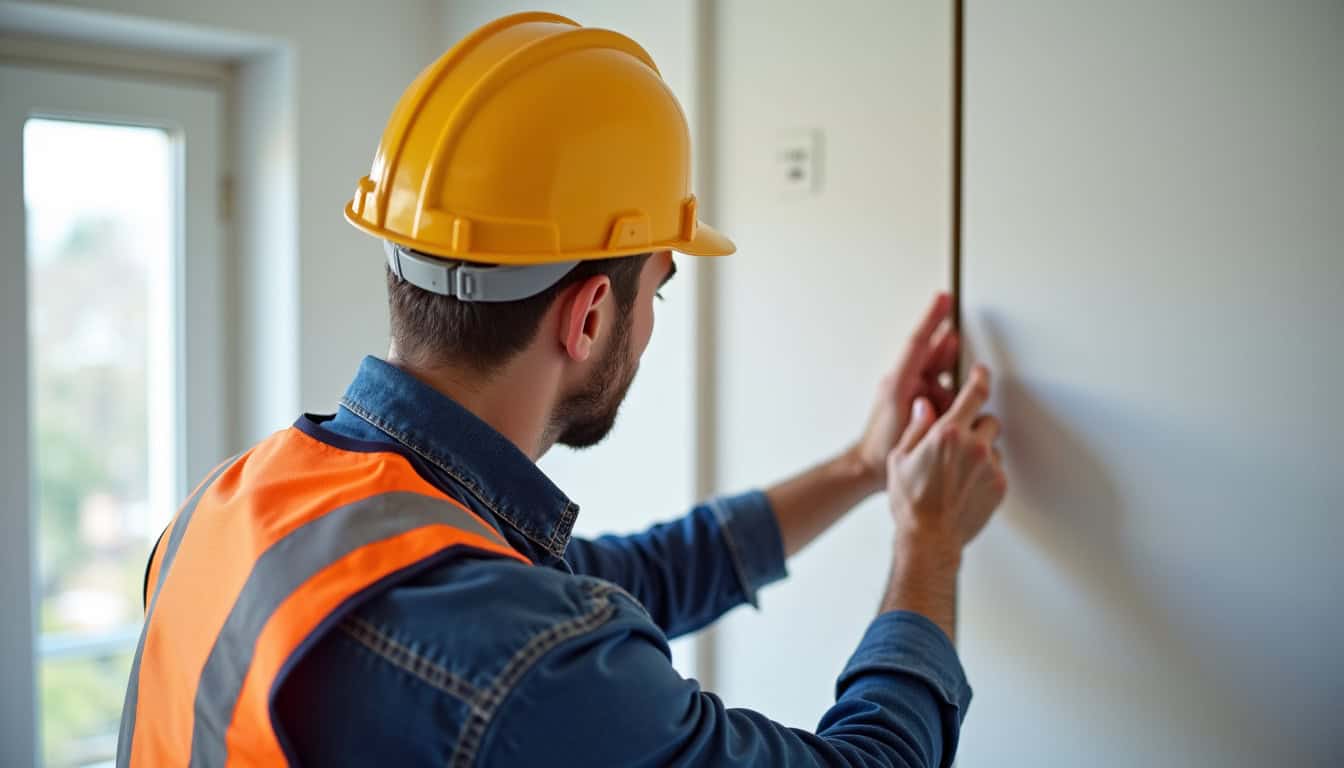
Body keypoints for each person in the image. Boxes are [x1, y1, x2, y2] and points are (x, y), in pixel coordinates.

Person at [117, 12, 1006, 767]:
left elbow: (648, 572)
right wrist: (929, 543)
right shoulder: (519, 660)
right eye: (655, 289)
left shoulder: (243, 503)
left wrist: (861, 464)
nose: (651, 321)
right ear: (586, 318)